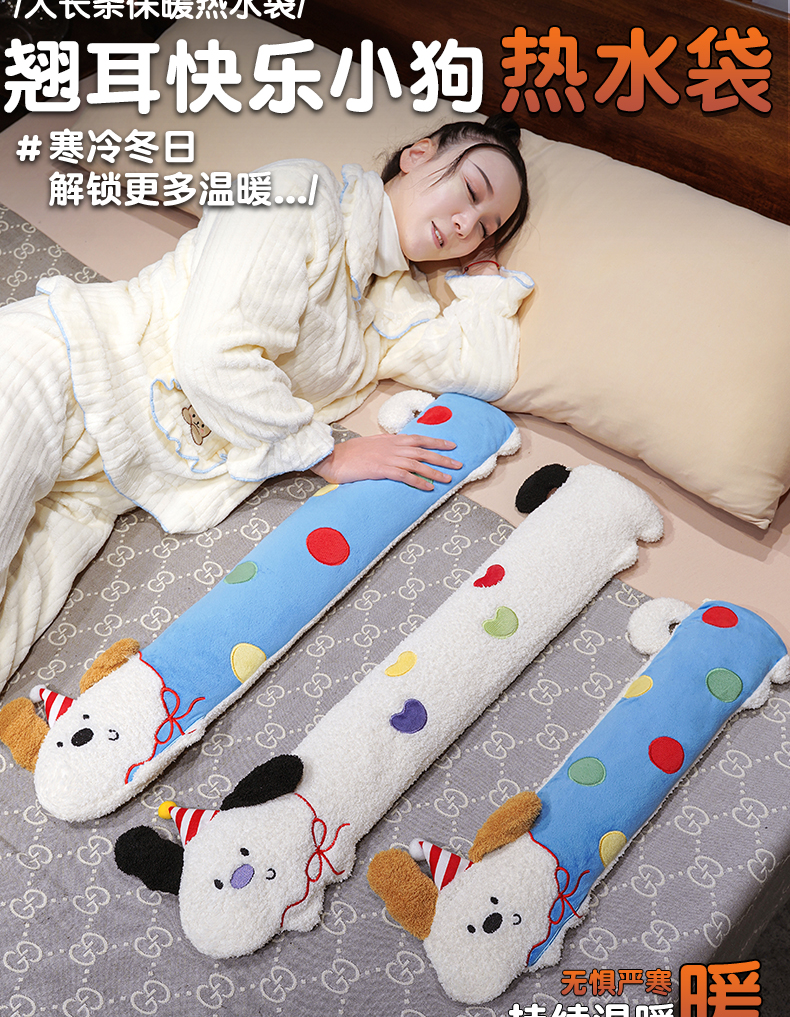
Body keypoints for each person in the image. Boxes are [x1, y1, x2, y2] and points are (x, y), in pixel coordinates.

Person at [0, 114, 534, 688]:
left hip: (102, 490)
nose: (466, 224)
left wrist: (483, 274)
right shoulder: (299, 193)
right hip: (59, 371)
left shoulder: (392, 306)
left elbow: (483, 371)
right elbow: (213, 353)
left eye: (486, 227)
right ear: (417, 155)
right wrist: (326, 455)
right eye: (470, 191)